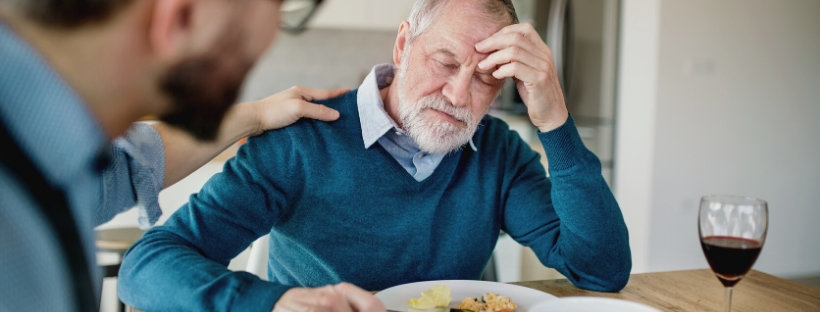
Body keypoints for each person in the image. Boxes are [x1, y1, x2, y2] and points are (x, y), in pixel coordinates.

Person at [120, 0, 632, 311]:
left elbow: (601, 270)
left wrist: (556, 123)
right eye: (445, 61)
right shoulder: (302, 138)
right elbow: (148, 265)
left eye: (484, 79)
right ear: (404, 44)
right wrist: (274, 303)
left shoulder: (499, 154)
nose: (458, 95)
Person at [0, 0, 384, 311]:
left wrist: (255, 115)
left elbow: (131, 165)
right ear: (181, 17)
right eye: (278, 6)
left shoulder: (57, 155)